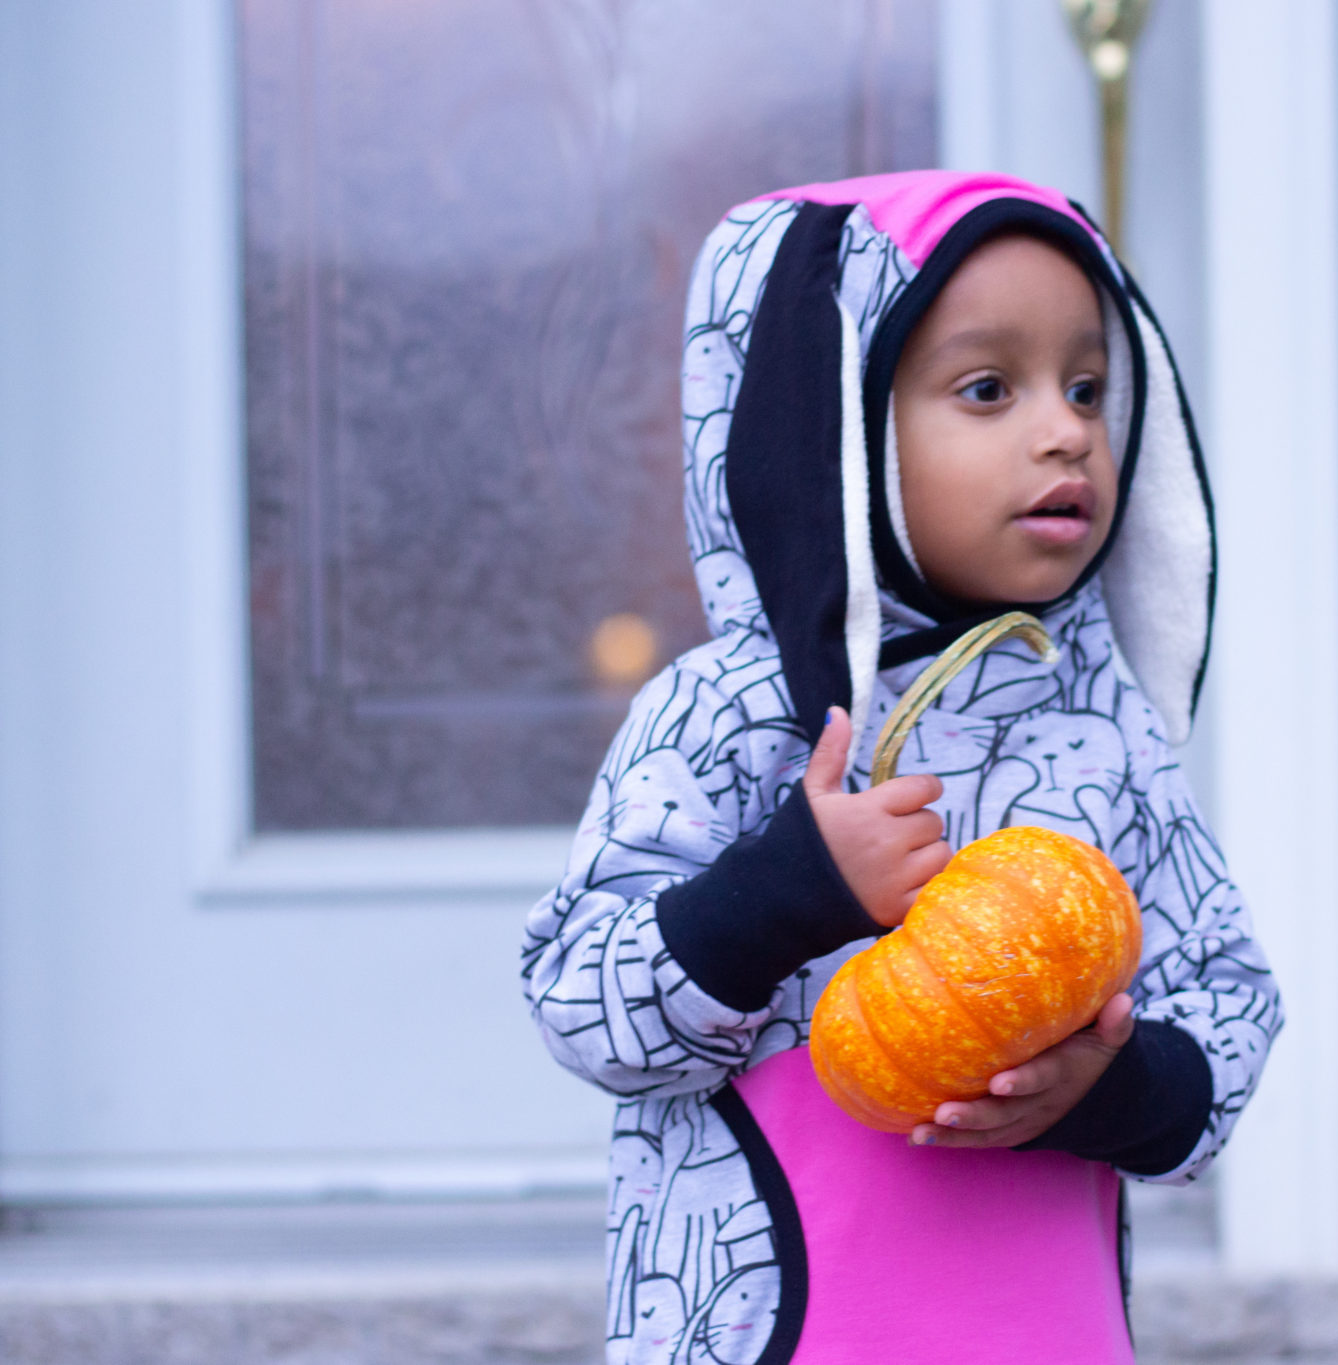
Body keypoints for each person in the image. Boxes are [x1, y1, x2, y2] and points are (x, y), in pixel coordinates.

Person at [521, 170, 1280, 1365]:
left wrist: (1110, 1084)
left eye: (1086, 386)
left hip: (1038, 1327)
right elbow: (582, 1006)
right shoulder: (729, 719)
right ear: (827, 426)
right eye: (989, 388)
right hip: (778, 1327)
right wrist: (788, 889)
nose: (1064, 429)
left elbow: (1227, 1010)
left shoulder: (1099, 731)